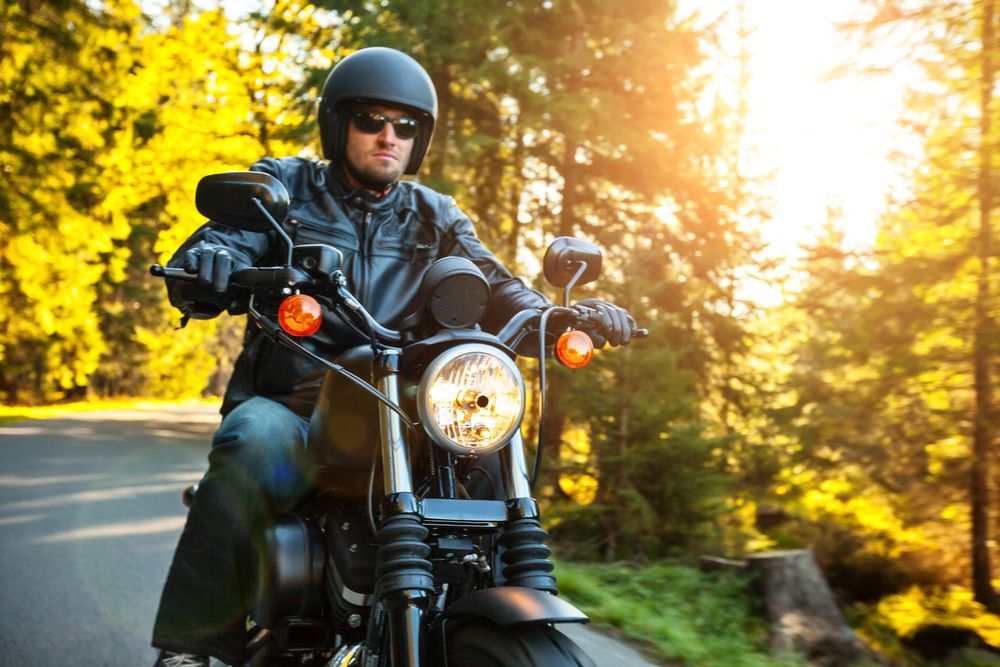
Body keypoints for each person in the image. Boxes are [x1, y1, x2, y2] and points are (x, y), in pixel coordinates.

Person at [151, 47, 634, 667]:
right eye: (371, 119)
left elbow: (496, 285)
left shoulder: (436, 215)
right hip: (297, 406)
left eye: (405, 125)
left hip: (405, 409)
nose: (388, 135)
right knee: (250, 442)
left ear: (420, 138)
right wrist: (207, 263)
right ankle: (190, 649)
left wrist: (559, 313)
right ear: (338, 125)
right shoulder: (285, 188)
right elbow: (224, 239)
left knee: (482, 459)